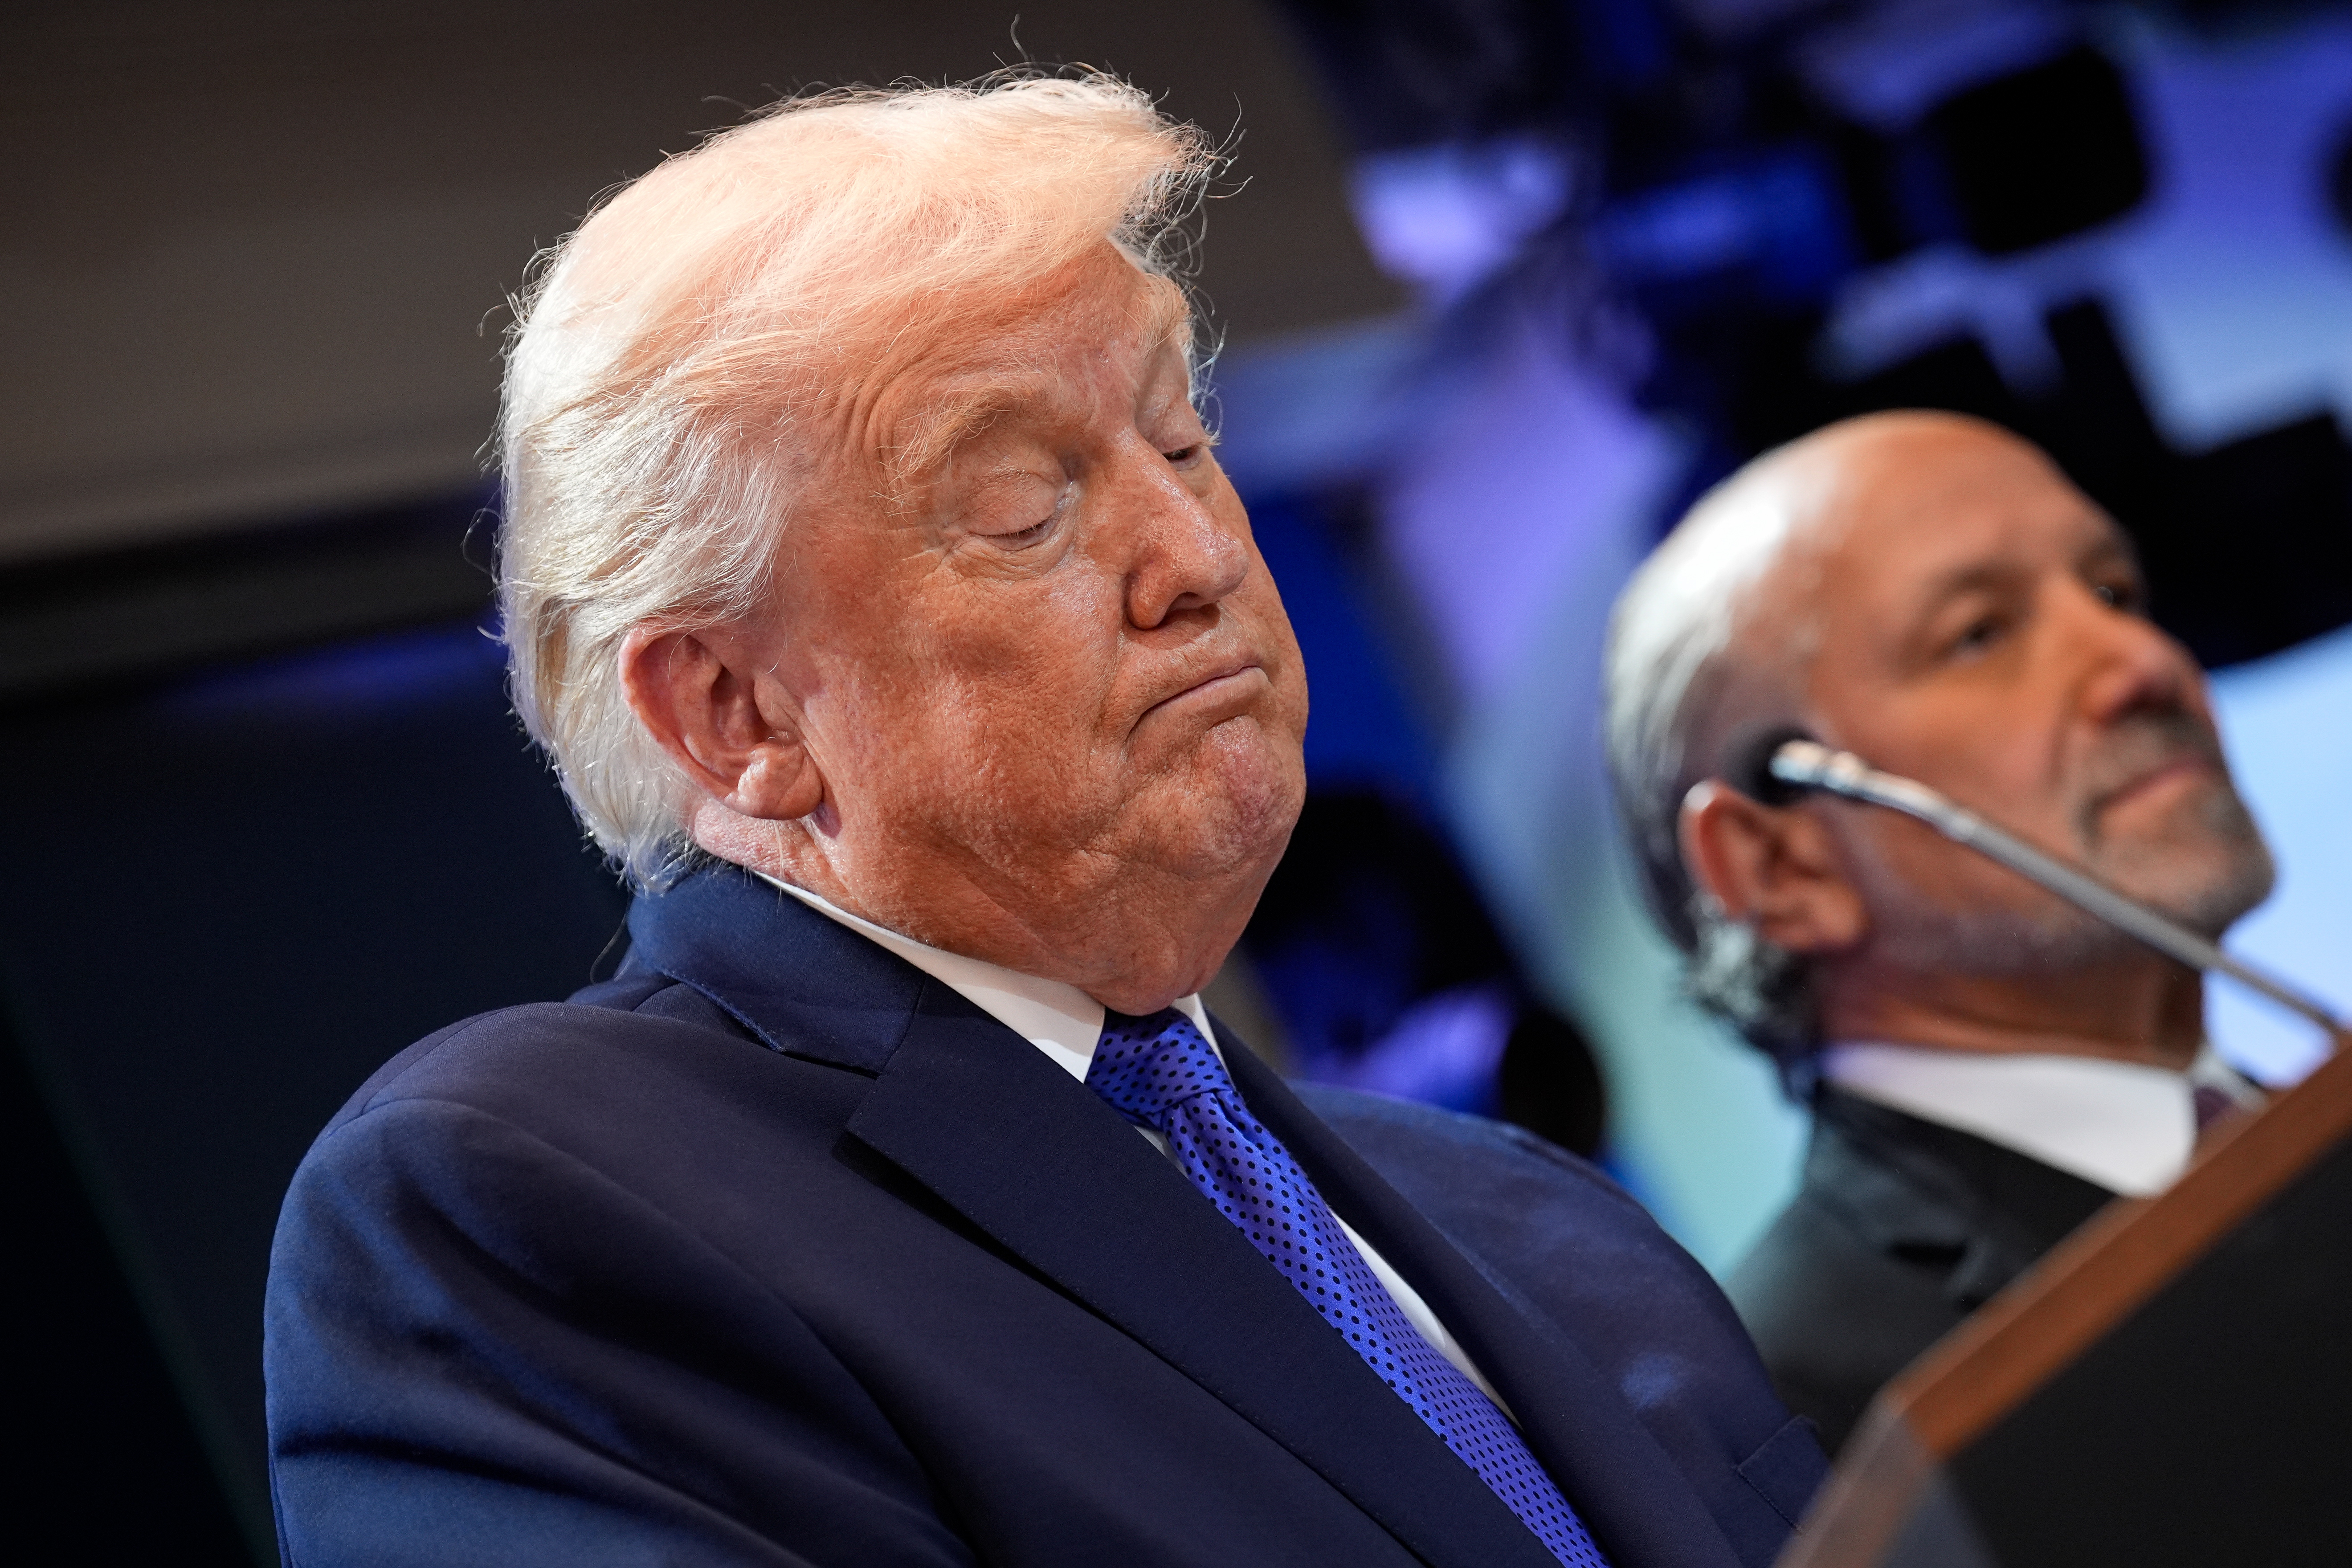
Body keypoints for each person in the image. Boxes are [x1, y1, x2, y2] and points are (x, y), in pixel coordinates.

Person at [263, 75, 1821, 1567]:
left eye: (1184, 440)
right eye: (1024, 505)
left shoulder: (1534, 1216)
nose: (1193, 552)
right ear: (737, 717)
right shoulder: (531, 1206)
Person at [1604, 410, 2278, 1452]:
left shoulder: (2310, 1137)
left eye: (2113, 591)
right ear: (1783, 867)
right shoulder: (1802, 1422)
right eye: (1979, 632)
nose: (2142, 659)